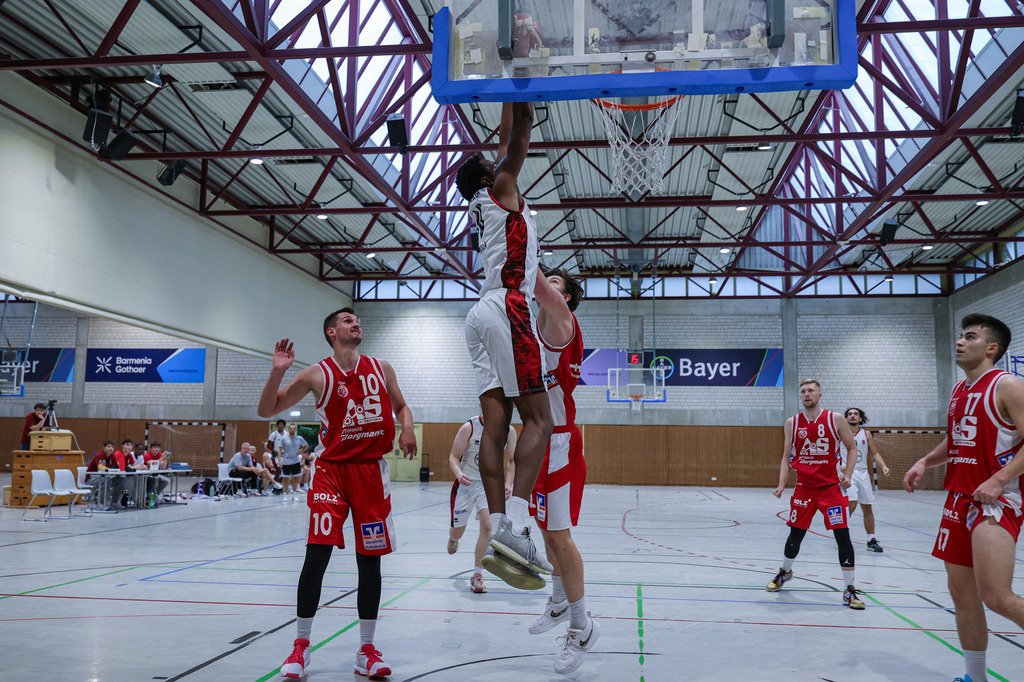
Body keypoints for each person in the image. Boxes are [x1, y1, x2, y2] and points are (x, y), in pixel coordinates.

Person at [258, 307, 416, 680]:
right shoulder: (317, 373)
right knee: (317, 556)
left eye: (356, 320)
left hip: (371, 474)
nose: (355, 323)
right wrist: (278, 370)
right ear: (332, 332)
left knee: (370, 561)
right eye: (347, 320)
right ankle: (301, 645)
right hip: (331, 473)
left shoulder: (382, 367)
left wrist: (406, 426)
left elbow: (402, 405)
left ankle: (366, 649)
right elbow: (267, 409)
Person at [456, 95, 554, 586]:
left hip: (480, 313)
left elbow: (502, 139)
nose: (496, 158)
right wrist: (521, 90)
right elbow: (515, 139)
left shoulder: (488, 197)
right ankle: (517, 521)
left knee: (495, 427)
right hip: (508, 306)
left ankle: (497, 529)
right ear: (485, 175)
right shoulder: (500, 186)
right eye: (489, 161)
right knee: (541, 419)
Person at [904, 314, 1024, 682]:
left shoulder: (1008, 386)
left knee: (996, 596)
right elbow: (957, 439)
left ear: (991, 349)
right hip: (958, 499)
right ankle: (976, 677)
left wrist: (999, 478)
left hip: (997, 499)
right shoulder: (960, 390)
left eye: (969, 337)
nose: (960, 341)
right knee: (962, 593)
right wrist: (926, 459)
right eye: (960, 335)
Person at [528, 268, 600, 674]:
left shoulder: (563, 322)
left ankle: (581, 625)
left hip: (560, 443)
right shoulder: (532, 328)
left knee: (560, 536)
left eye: (556, 283)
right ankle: (558, 600)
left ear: (567, 298)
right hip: (537, 441)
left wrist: (522, 249)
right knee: (545, 530)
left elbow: (536, 287)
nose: (547, 287)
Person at [769, 380, 865, 609]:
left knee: (842, 536)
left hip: (831, 488)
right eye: (802, 391)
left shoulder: (835, 419)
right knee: (796, 534)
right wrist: (782, 483)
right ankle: (785, 572)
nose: (806, 394)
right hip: (804, 487)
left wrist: (848, 475)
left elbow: (852, 449)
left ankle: (850, 589)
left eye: (811, 390)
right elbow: (786, 457)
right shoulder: (792, 423)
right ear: (800, 397)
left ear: (820, 395)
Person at [447, 413, 518, 594]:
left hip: (488, 485)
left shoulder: (508, 431)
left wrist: (508, 483)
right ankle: (454, 538)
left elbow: (511, 461)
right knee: (458, 531)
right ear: (481, 405)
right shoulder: (469, 428)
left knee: (487, 527)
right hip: (466, 484)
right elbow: (454, 456)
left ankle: (477, 575)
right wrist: (458, 473)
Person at [840, 407, 890, 552]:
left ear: (860, 418)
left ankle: (871, 539)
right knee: (851, 503)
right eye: (850, 414)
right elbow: (832, 453)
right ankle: (842, 535)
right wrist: (839, 466)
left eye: (856, 414)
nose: (853, 416)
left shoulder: (866, 434)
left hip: (863, 473)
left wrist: (884, 466)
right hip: (848, 473)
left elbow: (874, 453)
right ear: (846, 418)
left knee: (867, 507)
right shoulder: (840, 434)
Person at [85, 440, 124, 510]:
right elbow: (100, 468)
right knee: (106, 480)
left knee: (120, 480)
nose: (111, 448)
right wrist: (110, 468)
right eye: (108, 447)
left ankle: (114, 502)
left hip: (106, 477)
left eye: (112, 447)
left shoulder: (112, 456)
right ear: (104, 448)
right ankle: (101, 504)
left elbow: (116, 466)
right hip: (92, 478)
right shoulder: (100, 455)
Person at [276, 424, 309, 502]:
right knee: (285, 479)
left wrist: (301, 451)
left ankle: (294, 495)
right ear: (288, 429)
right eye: (291, 428)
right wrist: (279, 461)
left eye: (294, 428)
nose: (292, 430)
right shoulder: (283, 439)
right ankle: (284, 495)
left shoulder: (299, 438)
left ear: (295, 430)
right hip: (286, 462)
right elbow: (280, 450)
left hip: (295, 462)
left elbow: (306, 446)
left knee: (295, 479)